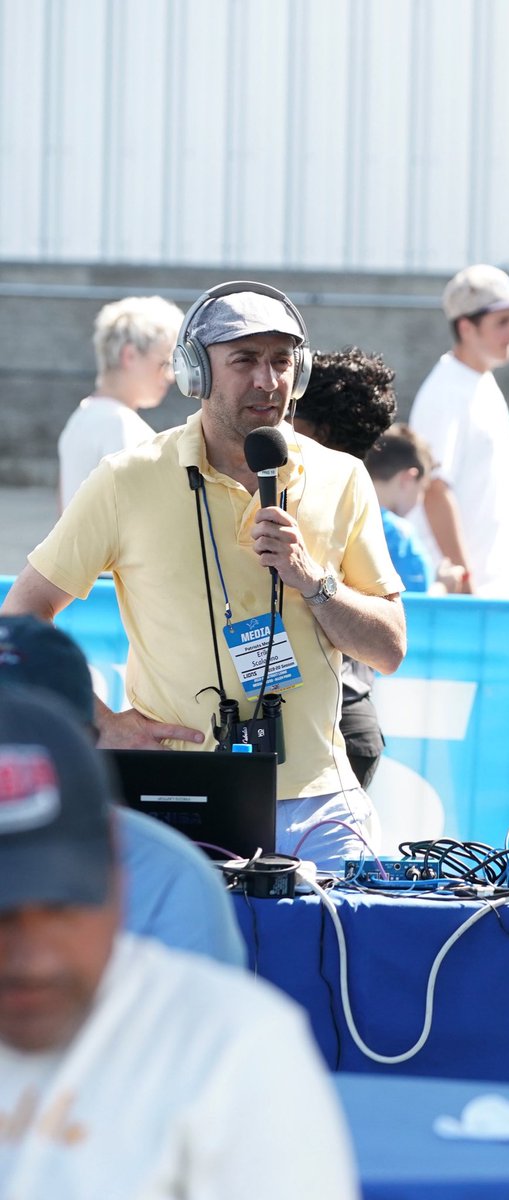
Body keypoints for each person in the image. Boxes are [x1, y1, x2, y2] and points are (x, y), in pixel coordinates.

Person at [1, 282, 406, 870]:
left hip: (322, 803)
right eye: (245, 360)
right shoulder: (127, 479)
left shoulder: (341, 477)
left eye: (281, 360)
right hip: (175, 796)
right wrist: (102, 724)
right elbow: (19, 621)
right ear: (195, 372)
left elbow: (389, 649)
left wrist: (312, 581)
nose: (268, 381)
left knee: (344, 958)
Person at [0, 685, 359, 1197]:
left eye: (62, 906)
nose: (30, 955)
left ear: (120, 885)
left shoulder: (233, 1046)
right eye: (3, 910)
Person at [0, 615, 246, 966]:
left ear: (86, 740)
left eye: (25, 737)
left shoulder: (169, 877)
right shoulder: (171, 870)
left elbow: (199, 1014)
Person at [291, 346, 400, 790]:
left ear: (320, 430)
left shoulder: (336, 499)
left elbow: (390, 645)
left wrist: (311, 580)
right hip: (341, 727)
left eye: (290, 414)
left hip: (335, 732)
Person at [407, 263, 509, 598]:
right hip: (465, 598)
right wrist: (465, 585)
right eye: (502, 322)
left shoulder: (479, 381)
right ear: (466, 327)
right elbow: (435, 490)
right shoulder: (446, 391)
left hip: (491, 589)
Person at [58, 294, 184, 509]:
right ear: (130, 356)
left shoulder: (82, 416)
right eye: (165, 363)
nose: (171, 376)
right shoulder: (119, 425)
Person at [365, 426, 466, 594]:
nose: (420, 499)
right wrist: (443, 586)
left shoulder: (344, 518)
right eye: (423, 489)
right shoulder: (399, 535)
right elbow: (413, 609)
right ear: (408, 479)